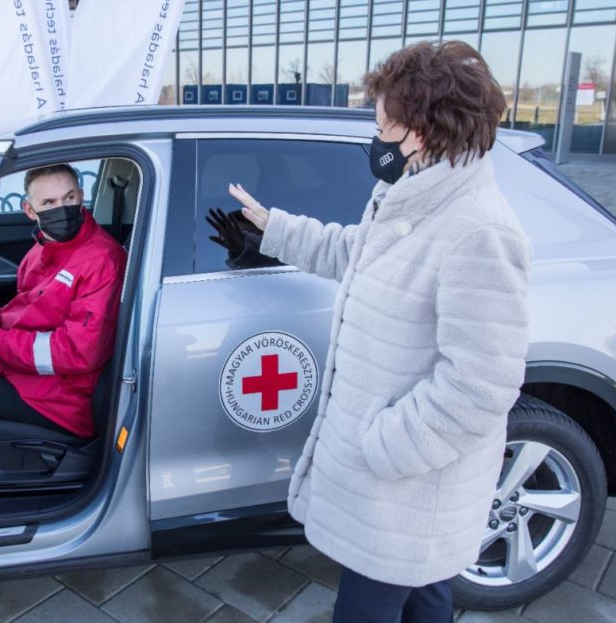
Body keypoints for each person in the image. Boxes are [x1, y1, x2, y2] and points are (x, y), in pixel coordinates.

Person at [225, 41, 532, 622]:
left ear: (419, 132)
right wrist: (274, 228)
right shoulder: (412, 194)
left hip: (403, 489)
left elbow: (483, 383)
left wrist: (385, 446)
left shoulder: (478, 231)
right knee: (425, 598)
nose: (376, 135)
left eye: (382, 122)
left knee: (370, 608)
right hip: (400, 495)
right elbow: (357, 253)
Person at [0, 164, 127, 449]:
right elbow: (23, 311)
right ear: (30, 210)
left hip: (62, 398)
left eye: (69, 198)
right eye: (49, 202)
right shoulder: (40, 251)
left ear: (82, 196)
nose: (62, 208)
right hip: (27, 373)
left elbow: (80, 352)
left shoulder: (102, 260)